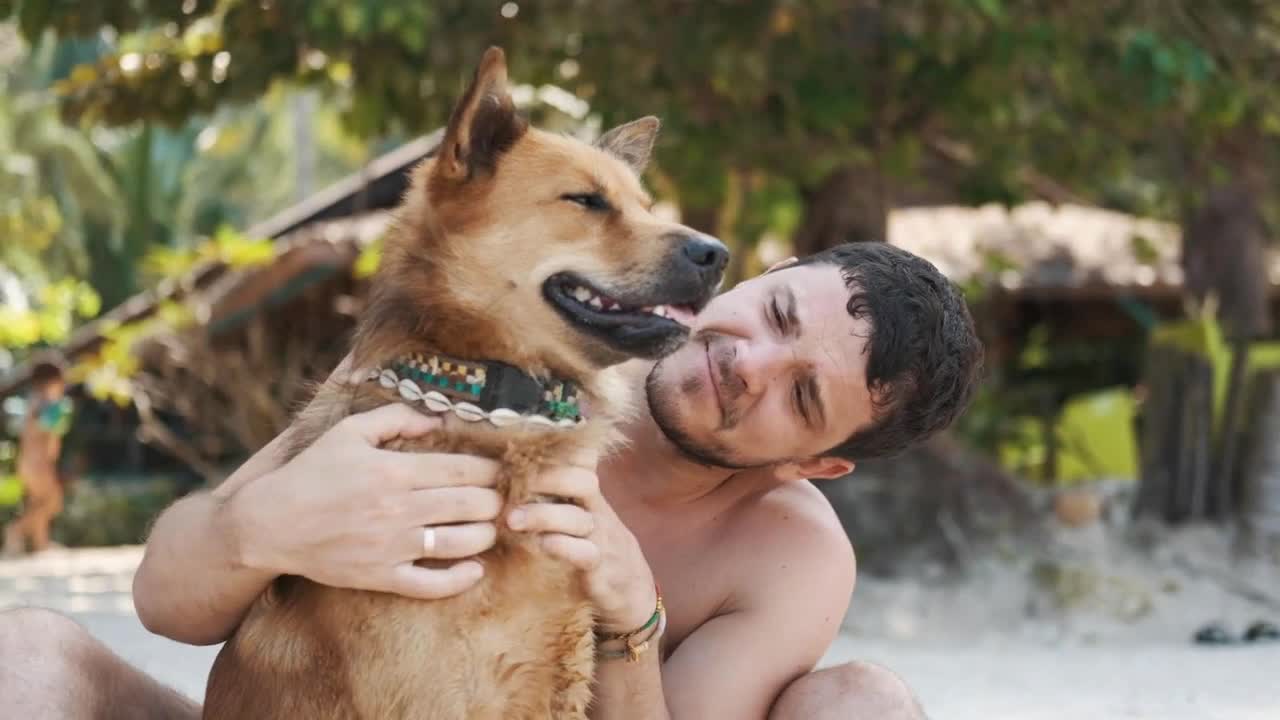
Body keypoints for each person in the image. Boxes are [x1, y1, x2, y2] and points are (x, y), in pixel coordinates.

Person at [0, 242, 981, 719]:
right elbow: (164, 602)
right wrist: (265, 529)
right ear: (762, 274)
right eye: (772, 313)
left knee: (863, 704)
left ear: (819, 461)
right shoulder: (501, 352)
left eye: (801, 397)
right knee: (31, 651)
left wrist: (628, 613)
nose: (746, 364)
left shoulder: (787, 557)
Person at [3, 355, 72, 556]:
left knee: (38, 502)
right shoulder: (48, 403)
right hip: (38, 462)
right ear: (54, 380)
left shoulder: (35, 401)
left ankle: (41, 544)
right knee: (52, 502)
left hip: (28, 462)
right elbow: (48, 434)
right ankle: (14, 532)